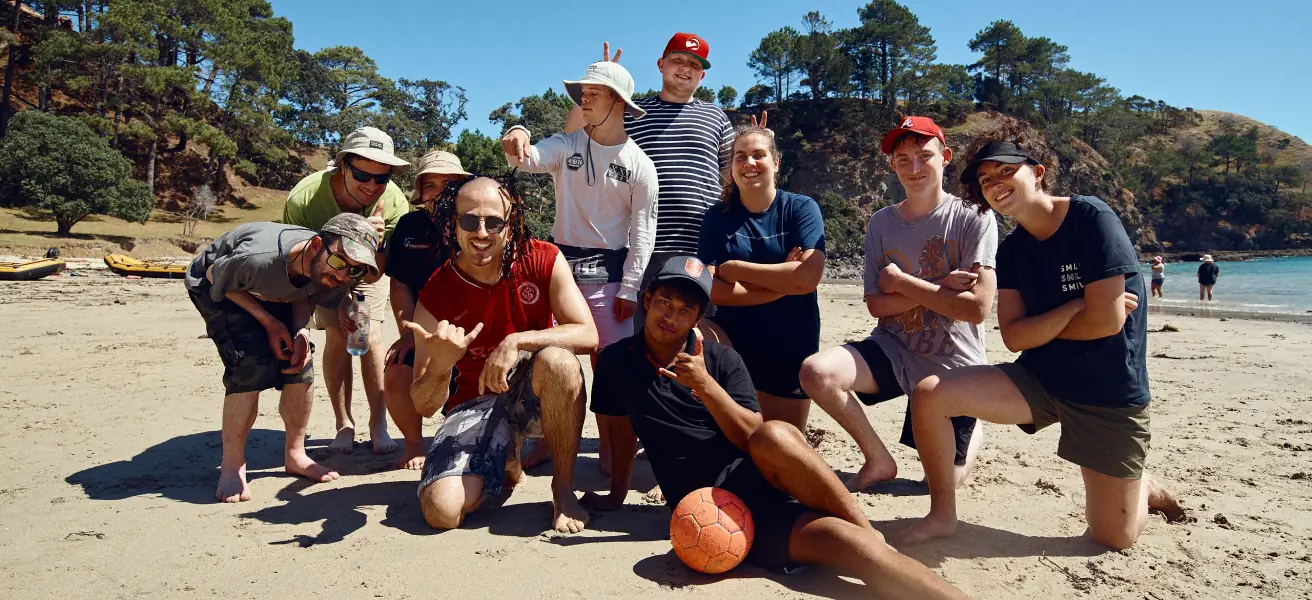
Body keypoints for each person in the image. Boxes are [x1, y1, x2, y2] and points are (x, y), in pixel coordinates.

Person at [583, 256, 968, 600]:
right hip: (718, 514)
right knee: (856, 551)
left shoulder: (722, 361)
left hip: (767, 475)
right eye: (665, 302)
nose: (671, 316)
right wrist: (616, 494)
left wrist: (704, 384)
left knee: (776, 434)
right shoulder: (617, 362)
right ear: (647, 300)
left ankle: (866, 527)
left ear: (698, 319)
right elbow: (619, 432)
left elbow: (751, 436)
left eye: (685, 309)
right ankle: (866, 541)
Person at [898, 123, 1184, 549]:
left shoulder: (1091, 219)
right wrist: (1075, 306)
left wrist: (1058, 323)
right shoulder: (1013, 250)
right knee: (930, 393)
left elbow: (1107, 324)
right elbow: (1014, 337)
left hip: (1107, 392)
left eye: (1005, 172)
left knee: (1112, 537)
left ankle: (1141, 485)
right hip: (1040, 380)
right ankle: (942, 515)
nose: (995, 185)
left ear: (1038, 171)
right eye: (985, 180)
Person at [799, 117, 997, 491]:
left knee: (940, 484)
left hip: (953, 362)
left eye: (924, 156)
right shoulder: (881, 223)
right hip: (892, 348)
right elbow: (876, 305)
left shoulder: (975, 217)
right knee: (817, 372)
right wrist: (941, 287)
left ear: (946, 157)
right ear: (892, 165)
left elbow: (975, 308)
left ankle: (974, 429)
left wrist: (902, 284)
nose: (914, 168)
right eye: (903, 159)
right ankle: (878, 459)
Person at [407, 175, 596, 534]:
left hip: (534, 392)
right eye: (469, 221)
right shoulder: (436, 293)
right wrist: (442, 367)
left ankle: (562, 491)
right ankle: (504, 461)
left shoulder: (542, 258)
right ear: (453, 224)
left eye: (494, 222)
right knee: (441, 512)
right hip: (473, 403)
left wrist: (517, 342)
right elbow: (424, 404)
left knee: (559, 361)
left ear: (511, 225)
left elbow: (588, 334)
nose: (481, 232)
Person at [184, 213, 381, 502]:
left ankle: (295, 454)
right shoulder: (257, 258)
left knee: (300, 363)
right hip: (219, 285)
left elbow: (305, 291)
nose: (342, 275)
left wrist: (300, 331)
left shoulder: (330, 267)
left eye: (354, 270)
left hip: (271, 288)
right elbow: (217, 280)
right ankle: (232, 463)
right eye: (340, 262)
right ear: (316, 246)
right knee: (251, 363)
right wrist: (269, 322)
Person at [501, 60, 658, 353]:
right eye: (583, 92)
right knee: (549, 363)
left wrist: (630, 288)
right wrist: (518, 132)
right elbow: (526, 159)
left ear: (619, 101)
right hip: (558, 274)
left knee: (613, 369)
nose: (583, 99)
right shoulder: (565, 144)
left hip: (609, 280)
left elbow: (644, 232)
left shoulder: (641, 165)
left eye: (594, 93)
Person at [283, 126, 411, 456]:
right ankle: (344, 424)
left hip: (369, 270)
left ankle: (377, 423)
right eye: (361, 174)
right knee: (339, 337)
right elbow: (297, 260)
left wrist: (378, 242)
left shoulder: (394, 201)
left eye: (380, 178)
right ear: (342, 165)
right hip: (323, 269)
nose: (371, 186)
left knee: (368, 337)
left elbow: (381, 270)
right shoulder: (305, 198)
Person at [697, 124, 826, 429]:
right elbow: (711, 289)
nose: (749, 163)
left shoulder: (800, 209)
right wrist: (780, 284)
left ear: (776, 161)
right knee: (690, 335)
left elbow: (807, 278)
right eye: (740, 156)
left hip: (791, 342)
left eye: (758, 155)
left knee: (779, 440)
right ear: (731, 166)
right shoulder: (718, 218)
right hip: (734, 340)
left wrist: (736, 270)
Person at [382, 150, 471, 470]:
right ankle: (414, 443)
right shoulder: (409, 226)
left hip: (474, 330)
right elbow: (400, 284)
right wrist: (407, 333)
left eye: (450, 183)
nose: (441, 191)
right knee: (395, 371)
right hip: (423, 329)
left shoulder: (478, 223)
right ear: (420, 191)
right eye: (431, 184)